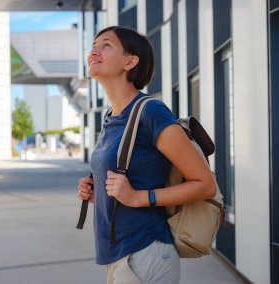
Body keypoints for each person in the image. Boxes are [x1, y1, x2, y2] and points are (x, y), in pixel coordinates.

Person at [77, 26, 217, 284]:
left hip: (145, 253)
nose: (94, 51)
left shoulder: (151, 112)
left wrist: (137, 197)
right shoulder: (111, 118)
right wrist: (98, 191)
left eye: (105, 45)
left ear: (130, 61)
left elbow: (205, 185)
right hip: (116, 256)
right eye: (93, 45)